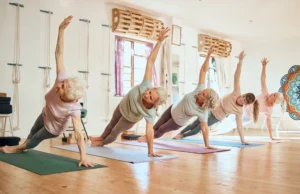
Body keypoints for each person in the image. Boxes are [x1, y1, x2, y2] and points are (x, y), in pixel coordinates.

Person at [1, 16, 95, 167]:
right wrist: (61, 30)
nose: (58, 86)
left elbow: (79, 133)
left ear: (70, 97)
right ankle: (23, 147)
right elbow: (58, 54)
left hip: (53, 128)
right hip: (46, 113)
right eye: (62, 83)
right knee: (32, 131)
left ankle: (17, 148)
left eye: (63, 88)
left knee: (35, 138)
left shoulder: (74, 109)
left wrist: (83, 157)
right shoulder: (62, 79)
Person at [89, 28, 170, 157]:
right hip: (122, 106)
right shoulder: (146, 84)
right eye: (149, 92)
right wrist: (159, 41)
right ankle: (100, 137)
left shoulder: (150, 112)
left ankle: (103, 142)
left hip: (129, 118)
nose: (146, 95)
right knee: (111, 123)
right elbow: (151, 61)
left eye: (150, 98)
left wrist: (150, 152)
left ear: (155, 104)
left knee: (115, 130)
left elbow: (149, 131)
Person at [138, 46, 219, 149]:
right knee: (156, 125)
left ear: (206, 102)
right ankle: (148, 136)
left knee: (162, 129)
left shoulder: (203, 112)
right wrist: (208, 56)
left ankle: (147, 138)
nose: (201, 92)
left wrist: (207, 145)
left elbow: (204, 128)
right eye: (203, 91)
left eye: (203, 94)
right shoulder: (199, 90)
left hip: (177, 121)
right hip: (172, 108)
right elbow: (203, 71)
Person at [173, 51, 259, 145]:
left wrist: (243, 140)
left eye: (244, 101)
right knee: (195, 123)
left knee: (199, 128)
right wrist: (240, 61)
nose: (241, 99)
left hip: (216, 117)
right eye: (243, 97)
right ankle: (180, 133)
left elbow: (239, 125)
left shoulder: (239, 111)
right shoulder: (236, 92)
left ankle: (182, 136)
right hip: (211, 108)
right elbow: (237, 76)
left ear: (245, 104)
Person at [244, 58, 284, 140]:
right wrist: (264, 66)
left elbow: (268, 122)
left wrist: (271, 136)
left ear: (275, 100)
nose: (273, 93)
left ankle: (215, 130)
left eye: (274, 95)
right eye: (274, 93)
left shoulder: (270, 109)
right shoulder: (265, 93)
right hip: (243, 106)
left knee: (234, 124)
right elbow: (263, 79)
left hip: (248, 116)